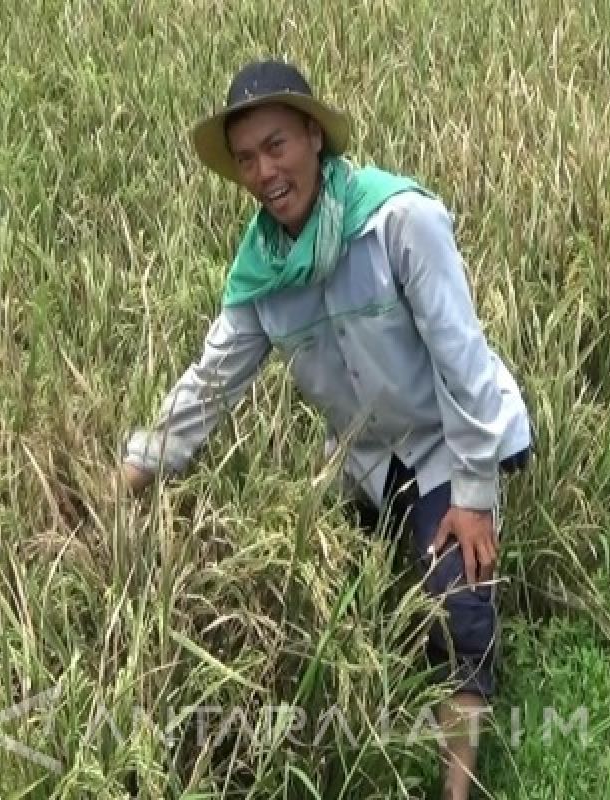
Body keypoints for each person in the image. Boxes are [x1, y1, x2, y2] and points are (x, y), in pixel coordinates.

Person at [119, 58, 532, 800]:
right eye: (245, 158)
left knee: (457, 608)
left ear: (314, 136)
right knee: (329, 586)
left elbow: (462, 361)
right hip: (364, 457)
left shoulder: (398, 221)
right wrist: (135, 471)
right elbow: (211, 383)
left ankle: (456, 789)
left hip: (445, 439)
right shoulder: (261, 272)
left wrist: (473, 492)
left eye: (276, 145)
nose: (263, 172)